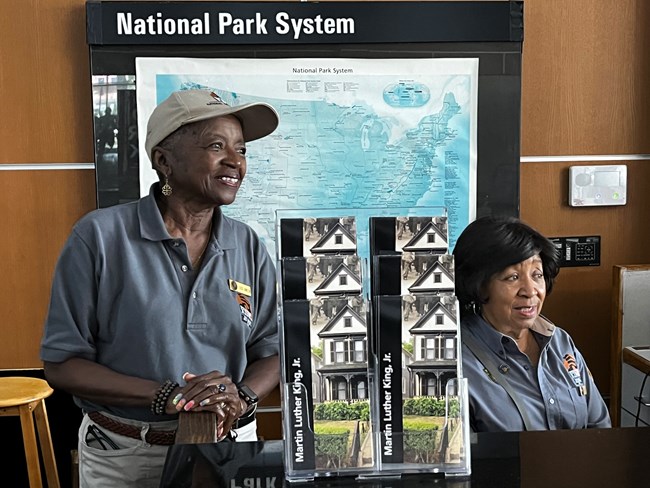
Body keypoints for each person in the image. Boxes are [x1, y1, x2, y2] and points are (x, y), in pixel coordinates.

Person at [40, 89, 281, 487]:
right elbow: (63, 363)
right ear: (164, 160)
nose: (235, 162)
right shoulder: (99, 237)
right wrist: (167, 394)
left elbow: (271, 349)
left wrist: (242, 397)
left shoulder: (248, 244)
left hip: (231, 449)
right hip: (127, 456)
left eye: (241, 149)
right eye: (216, 145)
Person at [453, 216, 611, 432]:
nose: (530, 291)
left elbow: (599, 425)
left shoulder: (559, 341)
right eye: (512, 277)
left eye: (537, 275)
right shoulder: (457, 360)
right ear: (479, 286)